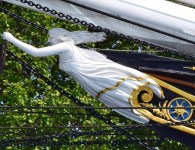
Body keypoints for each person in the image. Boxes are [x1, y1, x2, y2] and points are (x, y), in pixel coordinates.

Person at [2, 28, 163, 123]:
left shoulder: (65, 46)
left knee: (121, 93)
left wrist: (12, 38)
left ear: (61, 37)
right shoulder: (70, 48)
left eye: (51, 37)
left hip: (95, 75)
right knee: (117, 97)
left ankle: (149, 109)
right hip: (90, 79)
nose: (49, 41)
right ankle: (148, 111)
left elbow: (36, 53)